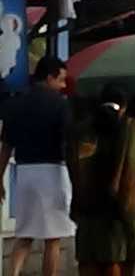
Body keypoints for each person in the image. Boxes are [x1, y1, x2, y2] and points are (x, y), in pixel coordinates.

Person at [67, 84, 135, 276]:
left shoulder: (81, 130)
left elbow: (73, 165)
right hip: (120, 207)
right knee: (117, 258)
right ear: (124, 106)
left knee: (88, 258)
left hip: (87, 207)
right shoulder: (134, 130)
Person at [0, 56, 76, 276]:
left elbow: (6, 145)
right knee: (53, 239)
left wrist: (0, 178)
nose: (63, 85)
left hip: (24, 173)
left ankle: (12, 274)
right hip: (52, 173)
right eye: (61, 80)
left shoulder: (15, 104)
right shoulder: (59, 105)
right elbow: (67, 143)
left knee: (25, 235)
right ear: (50, 77)